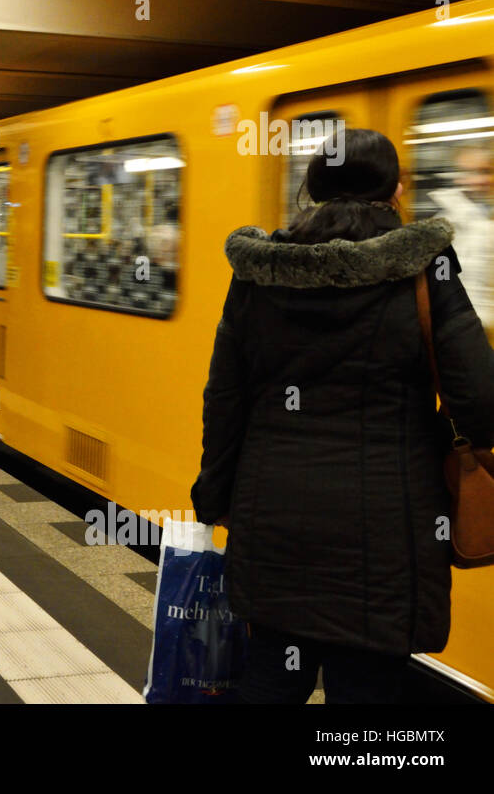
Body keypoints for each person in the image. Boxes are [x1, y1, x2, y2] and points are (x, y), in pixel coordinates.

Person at [191, 129, 494, 704]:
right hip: (388, 528)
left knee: (270, 680)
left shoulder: (258, 271)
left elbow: (223, 400)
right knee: (368, 691)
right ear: (396, 189)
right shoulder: (428, 266)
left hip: (272, 516)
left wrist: (213, 498)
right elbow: (479, 397)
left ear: (312, 186)